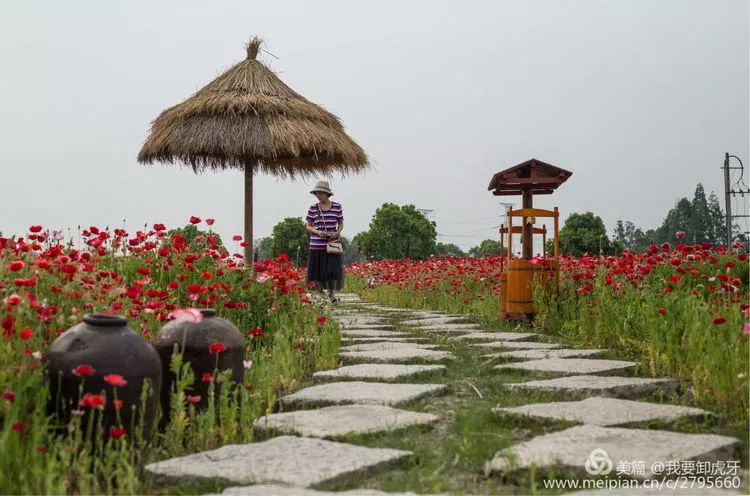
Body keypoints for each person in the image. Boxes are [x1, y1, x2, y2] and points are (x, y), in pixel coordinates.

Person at [305, 180, 344, 304]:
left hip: (332, 244)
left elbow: (341, 223)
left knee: (332, 271)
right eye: (316, 193)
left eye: (321, 193)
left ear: (327, 194)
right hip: (316, 245)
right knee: (318, 272)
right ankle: (321, 294)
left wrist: (337, 233)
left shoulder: (337, 206)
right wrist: (317, 232)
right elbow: (308, 226)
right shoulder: (313, 208)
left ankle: (331, 293)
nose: (318, 195)